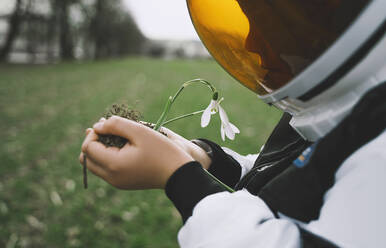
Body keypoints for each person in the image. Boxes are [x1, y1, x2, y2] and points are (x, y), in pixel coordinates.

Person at [79, 0, 386, 247]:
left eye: (264, 20)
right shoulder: (340, 107)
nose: (251, 42)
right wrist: (203, 158)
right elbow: (287, 179)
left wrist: (180, 178)